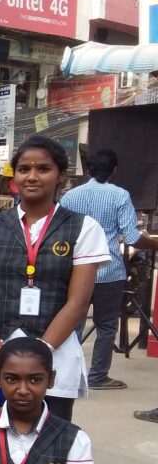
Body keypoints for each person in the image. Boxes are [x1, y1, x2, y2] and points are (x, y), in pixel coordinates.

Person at [0, 135, 109, 421]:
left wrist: (41, 354)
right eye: (24, 169)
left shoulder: (83, 228)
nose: (32, 176)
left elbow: (78, 302)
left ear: (61, 176)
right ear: (14, 176)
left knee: (48, 443)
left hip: (54, 353)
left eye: (43, 169)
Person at [61, 149, 158, 390]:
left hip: (76, 270)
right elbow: (133, 237)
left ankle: (67, 375)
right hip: (109, 270)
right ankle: (97, 377)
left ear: (90, 170)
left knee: (72, 323)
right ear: (114, 171)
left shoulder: (70, 196)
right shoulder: (120, 195)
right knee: (106, 326)